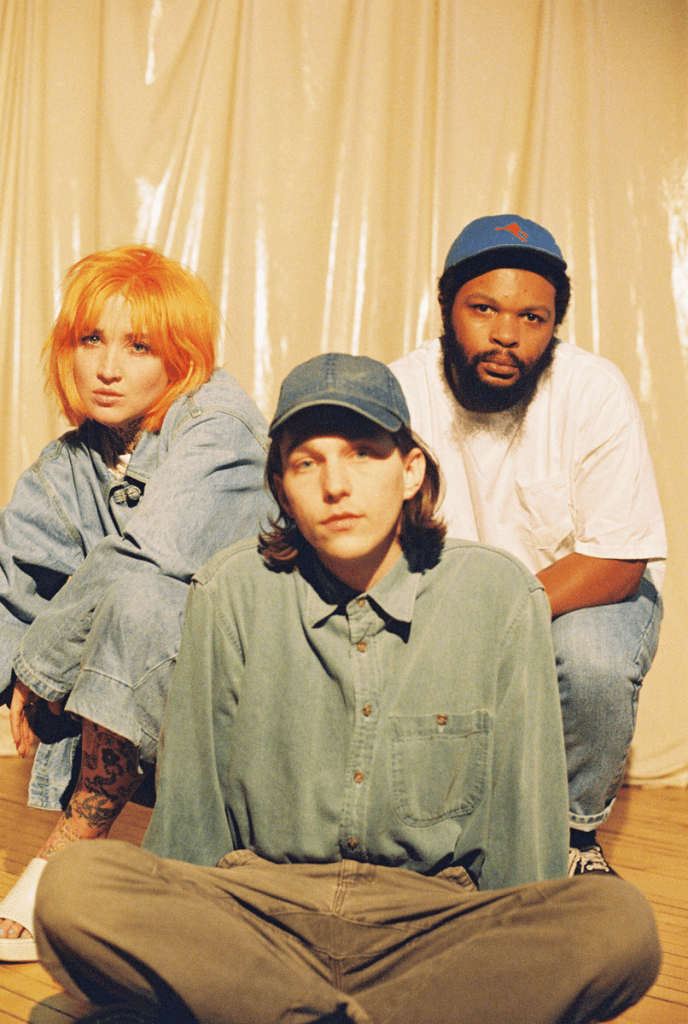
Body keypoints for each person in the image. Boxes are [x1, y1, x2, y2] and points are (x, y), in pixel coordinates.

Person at [33, 354, 660, 1024]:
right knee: (74, 887)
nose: (336, 485)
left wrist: (517, 938)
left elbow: (524, 833)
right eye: (307, 463)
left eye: (364, 453)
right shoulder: (230, 590)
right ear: (281, 488)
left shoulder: (498, 593)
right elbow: (193, 819)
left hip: (432, 932)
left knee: (616, 922)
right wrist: (179, 926)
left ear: (411, 471)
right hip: (255, 924)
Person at [0, 245, 272, 962]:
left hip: (248, 698)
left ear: (180, 357)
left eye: (139, 346)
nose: (108, 367)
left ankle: (71, 844)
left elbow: (148, 554)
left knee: (141, 592)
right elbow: (13, 586)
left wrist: (38, 667)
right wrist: (17, 667)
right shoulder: (67, 464)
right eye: (92, 339)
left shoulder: (219, 421)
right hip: (142, 695)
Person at [390, 214, 668, 876]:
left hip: (584, 597)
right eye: (484, 309)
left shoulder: (592, 389)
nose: (506, 335)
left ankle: (572, 835)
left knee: (592, 660)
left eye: (532, 318)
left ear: (554, 324)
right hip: (444, 598)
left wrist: (489, 619)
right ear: (446, 306)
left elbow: (617, 560)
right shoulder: (399, 391)